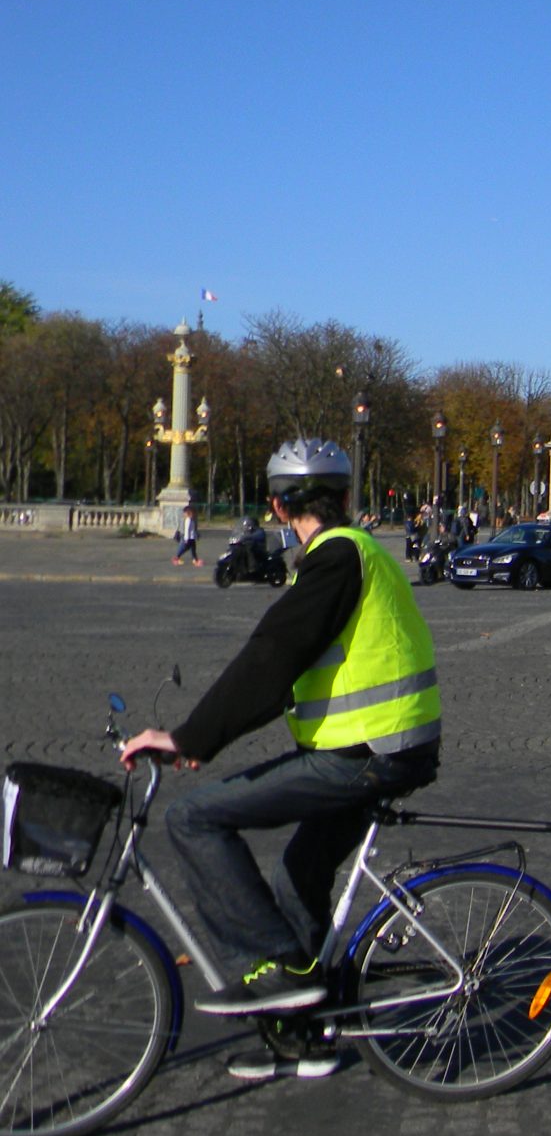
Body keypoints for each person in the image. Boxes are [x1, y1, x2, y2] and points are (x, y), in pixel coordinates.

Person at [118, 437, 441, 1079]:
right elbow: (289, 669)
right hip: (392, 745)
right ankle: (301, 1035)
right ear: (346, 498)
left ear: (275, 504)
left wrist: (188, 739)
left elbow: (270, 659)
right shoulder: (357, 553)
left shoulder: (336, 560)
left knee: (196, 820)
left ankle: (284, 971)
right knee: (299, 871)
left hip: (367, 754)